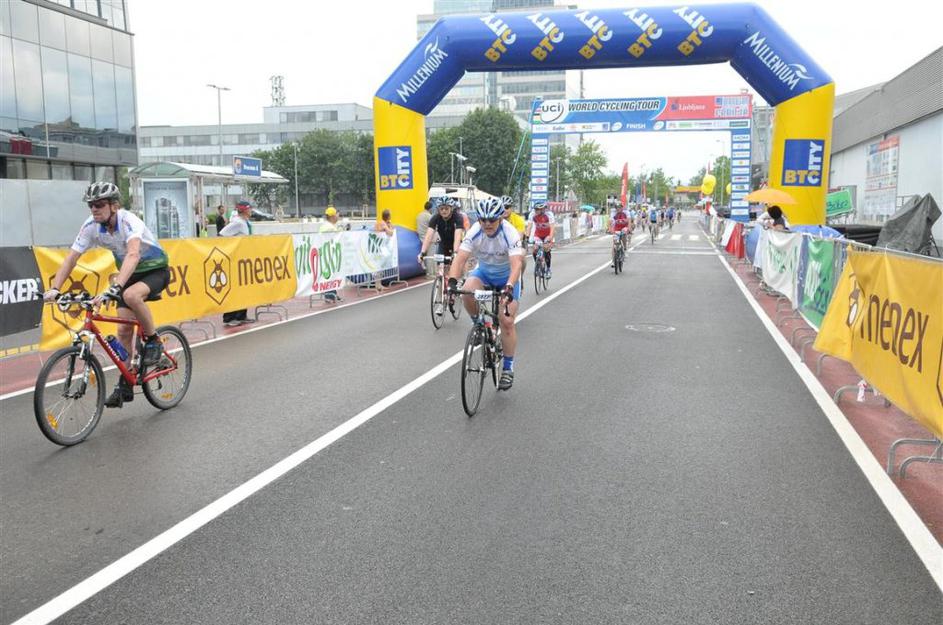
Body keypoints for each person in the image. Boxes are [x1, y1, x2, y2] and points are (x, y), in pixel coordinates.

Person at [43, 182, 170, 408]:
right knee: (123, 331)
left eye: (99, 204)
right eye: (91, 205)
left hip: (155, 270)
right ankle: (126, 383)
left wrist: (116, 287)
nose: (94, 209)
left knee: (131, 296)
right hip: (129, 275)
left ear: (114, 205)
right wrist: (55, 288)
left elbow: (133, 255)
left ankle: (153, 341)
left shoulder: (129, 221)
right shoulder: (91, 226)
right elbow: (72, 258)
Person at [447, 197, 523, 391]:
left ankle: (508, 368)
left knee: (506, 320)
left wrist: (509, 287)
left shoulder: (510, 233)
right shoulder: (475, 232)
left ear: (500, 218)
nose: (487, 223)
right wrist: (452, 282)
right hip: (484, 273)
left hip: (507, 277)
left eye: (492, 220)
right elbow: (460, 259)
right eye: (483, 219)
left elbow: (516, 265)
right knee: (467, 292)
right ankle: (480, 325)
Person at [219, 200, 255, 326]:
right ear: (244, 210)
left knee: (243, 289)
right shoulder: (237, 222)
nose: (251, 210)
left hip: (244, 262)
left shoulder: (246, 222)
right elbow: (222, 235)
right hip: (235, 261)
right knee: (234, 290)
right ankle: (229, 317)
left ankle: (241, 315)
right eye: (249, 208)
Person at [319, 206, 343, 303]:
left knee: (331, 274)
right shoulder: (329, 227)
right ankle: (329, 295)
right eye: (336, 215)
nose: (338, 217)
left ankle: (333, 293)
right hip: (328, 254)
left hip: (328, 253)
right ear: (332, 216)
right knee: (330, 275)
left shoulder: (326, 225)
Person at [526, 201, 556, 278]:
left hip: (548, 234)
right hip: (538, 235)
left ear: (542, 209)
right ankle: (537, 265)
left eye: (537, 209)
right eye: (535, 209)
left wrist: (550, 239)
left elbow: (552, 228)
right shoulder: (532, 214)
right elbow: (529, 227)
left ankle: (548, 269)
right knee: (535, 249)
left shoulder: (549, 214)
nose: (535, 211)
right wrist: (527, 238)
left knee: (546, 248)